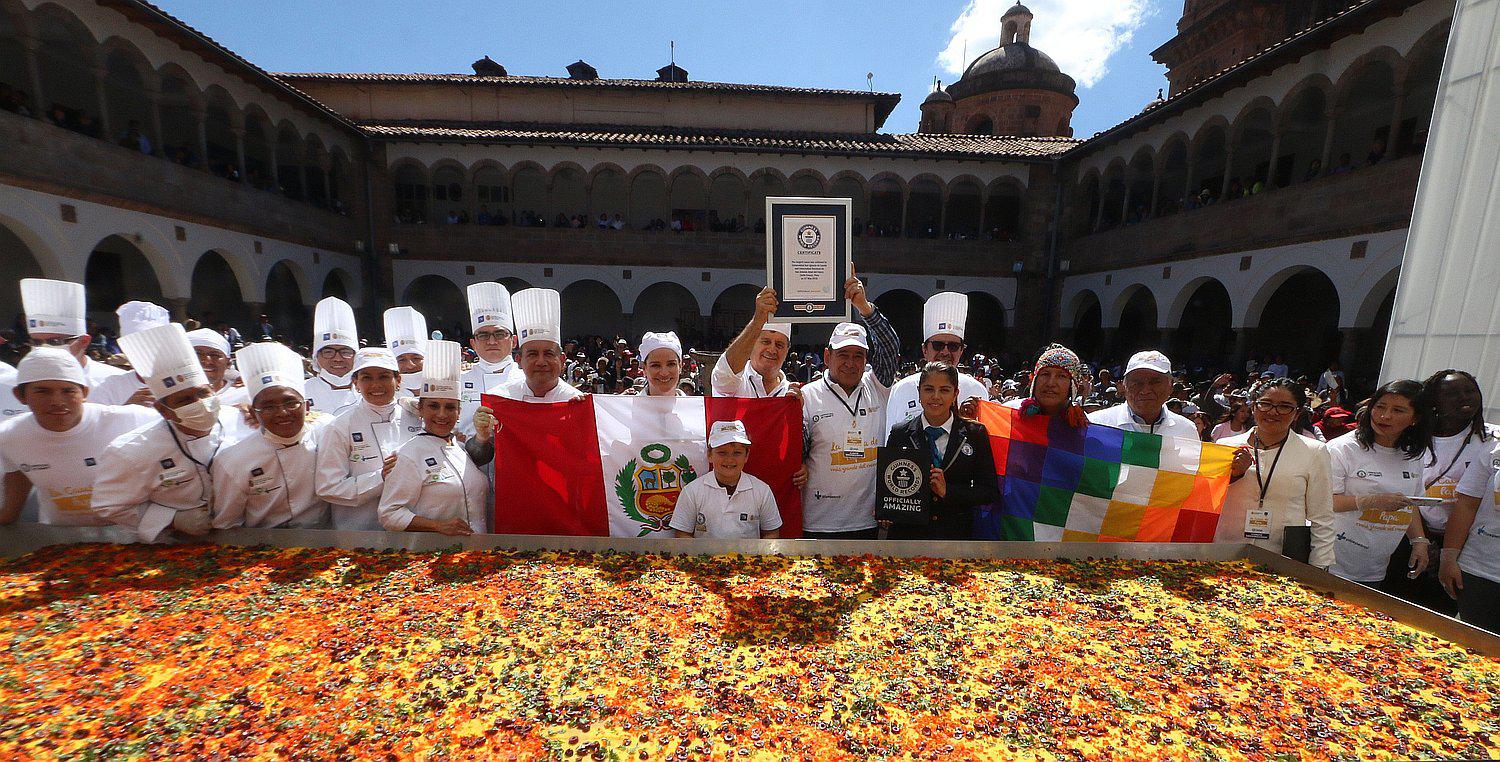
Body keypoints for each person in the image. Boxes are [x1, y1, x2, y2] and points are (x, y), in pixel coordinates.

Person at [91, 323, 232, 542]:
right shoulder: (131, 451)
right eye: (185, 400)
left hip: (240, 537)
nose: (200, 404)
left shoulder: (240, 422)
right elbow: (108, 506)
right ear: (163, 410)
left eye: (203, 394)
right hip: (171, 546)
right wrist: (171, 519)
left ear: (213, 391)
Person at [0, 348, 157, 525]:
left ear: (84, 393)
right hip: (60, 540)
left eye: (68, 391)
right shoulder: (8, 436)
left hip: (135, 536)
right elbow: (17, 472)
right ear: (20, 396)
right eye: (43, 391)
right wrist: (7, 520)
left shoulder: (134, 419)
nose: (57, 401)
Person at [796, 272, 899, 539]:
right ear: (827, 356)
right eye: (843, 355)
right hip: (818, 520)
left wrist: (864, 307)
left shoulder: (877, 387)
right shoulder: (807, 396)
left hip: (867, 519)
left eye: (858, 356)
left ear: (866, 359)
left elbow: (890, 346)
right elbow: (798, 454)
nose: (851, 363)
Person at [211, 342, 332, 529]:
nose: (282, 413)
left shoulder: (328, 431)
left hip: (328, 538)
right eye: (268, 407)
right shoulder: (232, 460)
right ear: (252, 413)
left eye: (291, 403)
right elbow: (227, 524)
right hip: (263, 545)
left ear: (307, 407)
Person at [1217, 378, 1335, 568]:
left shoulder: (1314, 452)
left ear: (1297, 413)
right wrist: (1233, 476)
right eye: (1265, 404)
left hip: (1281, 557)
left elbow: (1322, 516)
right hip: (1225, 552)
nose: (1273, 412)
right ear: (1254, 408)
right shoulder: (1226, 446)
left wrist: (1319, 568)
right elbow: (1204, 499)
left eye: (1284, 406)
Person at [379, 341, 492, 535]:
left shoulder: (460, 448)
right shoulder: (409, 454)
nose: (442, 414)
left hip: (475, 553)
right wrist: (437, 526)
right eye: (433, 406)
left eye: (450, 407)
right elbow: (389, 513)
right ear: (420, 410)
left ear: (459, 413)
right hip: (432, 556)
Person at [1326, 380, 1431, 588]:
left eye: (1398, 410)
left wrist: (1419, 540)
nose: (1385, 416)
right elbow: (1323, 502)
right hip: (1330, 561)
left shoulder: (1414, 455)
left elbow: (1409, 503)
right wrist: (1372, 501)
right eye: (1380, 406)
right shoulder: (1342, 449)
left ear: (1415, 418)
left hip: (1374, 568)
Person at [883, 361, 998, 540]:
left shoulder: (975, 434)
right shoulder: (900, 432)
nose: (936, 397)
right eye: (929, 389)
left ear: (955, 394)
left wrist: (948, 492)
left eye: (944, 390)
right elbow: (889, 483)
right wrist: (886, 509)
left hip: (955, 537)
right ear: (919, 392)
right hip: (907, 537)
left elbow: (989, 491)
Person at [315, 348, 425, 531]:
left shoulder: (416, 417)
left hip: (412, 524)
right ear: (356, 383)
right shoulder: (339, 427)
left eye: (383, 377)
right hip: (359, 530)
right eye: (366, 377)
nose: (376, 385)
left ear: (398, 381)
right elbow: (328, 487)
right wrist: (380, 478)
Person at [885, 292, 989, 434]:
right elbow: (891, 446)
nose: (945, 352)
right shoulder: (902, 389)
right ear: (925, 349)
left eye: (953, 346)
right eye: (938, 345)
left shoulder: (977, 390)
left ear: (961, 351)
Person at [670, 420, 783, 539]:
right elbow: (682, 534)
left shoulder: (762, 490)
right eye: (722, 453)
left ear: (747, 455)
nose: (729, 460)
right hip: (704, 556)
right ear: (709, 454)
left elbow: (771, 532)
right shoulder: (692, 491)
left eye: (737, 453)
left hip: (749, 557)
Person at [20, 279, 128, 389]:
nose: (44, 349)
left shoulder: (118, 383)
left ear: (84, 342)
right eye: (36, 342)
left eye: (55, 342)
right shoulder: (21, 383)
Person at [1442, 437, 1500, 634]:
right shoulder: (1493, 448)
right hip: (1478, 573)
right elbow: (1466, 505)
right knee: (1475, 652)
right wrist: (1448, 557)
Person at [497, 289, 584, 402]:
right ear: (518, 360)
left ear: (562, 360)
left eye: (549, 354)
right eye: (532, 354)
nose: (541, 362)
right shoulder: (500, 399)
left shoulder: (575, 400)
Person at [1087, 351, 1198, 439]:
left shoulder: (1187, 431)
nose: (1145, 390)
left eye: (1155, 382)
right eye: (1137, 383)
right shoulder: (1095, 425)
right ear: (1124, 386)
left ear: (1171, 387)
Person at [459, 283, 525, 431]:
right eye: (483, 335)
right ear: (473, 344)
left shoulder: (527, 381)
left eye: (500, 334)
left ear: (514, 341)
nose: (492, 341)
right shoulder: (459, 380)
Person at [712, 286, 793, 398]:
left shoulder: (791, 393)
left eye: (779, 345)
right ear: (752, 344)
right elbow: (724, 374)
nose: (772, 350)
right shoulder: (736, 383)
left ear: (787, 351)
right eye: (766, 342)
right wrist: (757, 321)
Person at [90, 301, 172, 407]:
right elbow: (93, 420)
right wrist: (127, 409)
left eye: (151, 344)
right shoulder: (111, 387)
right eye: (135, 346)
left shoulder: (186, 380)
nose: (143, 352)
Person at [304, 297, 360, 415]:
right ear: (316, 357)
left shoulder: (369, 391)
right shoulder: (301, 392)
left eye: (345, 352)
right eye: (328, 352)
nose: (338, 358)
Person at [384, 306, 428, 397]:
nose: (410, 365)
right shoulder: (384, 398)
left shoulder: (446, 389)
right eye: (401, 360)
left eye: (416, 358)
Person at [640, 331, 687, 396]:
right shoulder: (627, 406)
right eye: (656, 365)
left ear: (680, 366)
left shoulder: (697, 406)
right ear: (644, 368)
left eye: (671, 364)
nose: (664, 373)